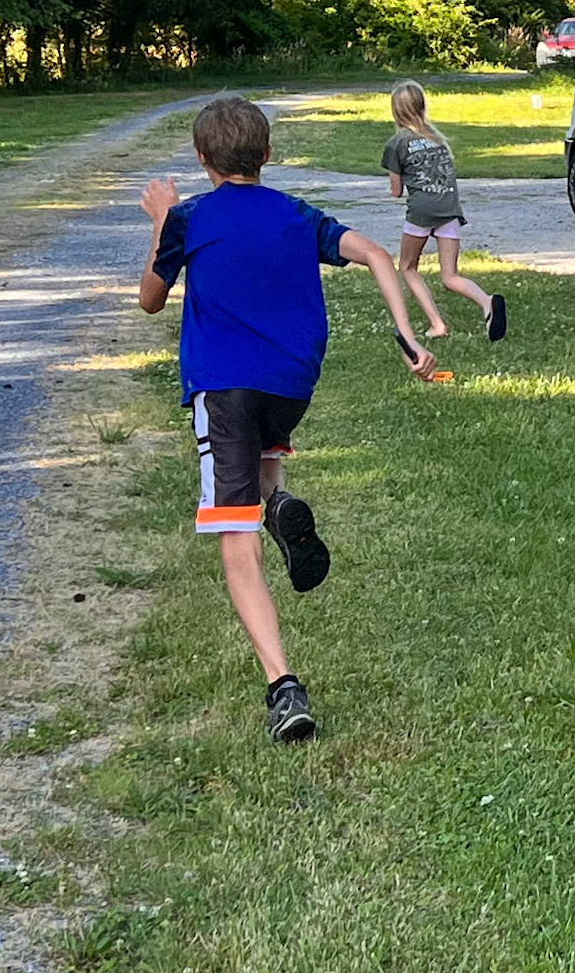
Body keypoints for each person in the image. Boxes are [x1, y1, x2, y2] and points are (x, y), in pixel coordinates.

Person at [135, 94, 429, 746]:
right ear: (268, 155)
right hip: (291, 383)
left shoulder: (188, 218)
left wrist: (160, 222)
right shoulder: (297, 215)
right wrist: (408, 340)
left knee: (234, 540)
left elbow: (151, 301)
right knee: (258, 479)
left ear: (202, 158)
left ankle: (283, 685)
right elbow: (380, 254)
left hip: (224, 387)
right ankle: (282, 508)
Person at [377, 80, 506, 344]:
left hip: (422, 212)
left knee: (408, 267)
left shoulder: (396, 143)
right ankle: (487, 302)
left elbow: (396, 190)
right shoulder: (438, 140)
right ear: (422, 107)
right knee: (450, 275)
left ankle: (437, 324)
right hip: (450, 207)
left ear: (396, 111)